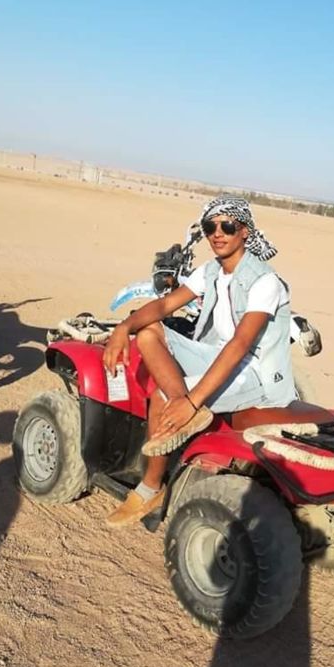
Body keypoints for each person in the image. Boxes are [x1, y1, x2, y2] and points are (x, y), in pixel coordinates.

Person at [102, 195, 296, 526]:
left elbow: (240, 344)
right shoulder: (210, 271)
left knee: (160, 397)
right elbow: (164, 306)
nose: (217, 233)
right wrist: (123, 327)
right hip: (218, 355)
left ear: (245, 232)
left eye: (227, 226)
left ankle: (151, 488)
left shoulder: (265, 281)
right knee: (148, 332)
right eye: (210, 226)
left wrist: (191, 401)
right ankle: (182, 405)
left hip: (256, 372)